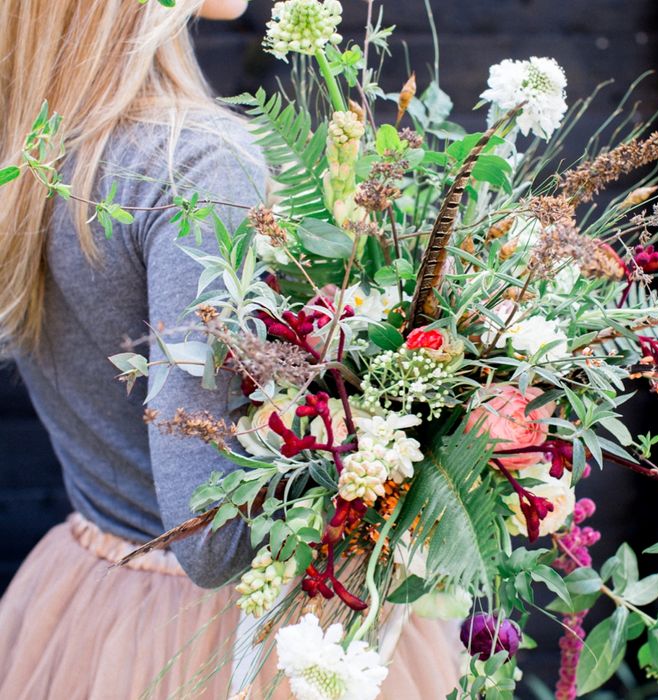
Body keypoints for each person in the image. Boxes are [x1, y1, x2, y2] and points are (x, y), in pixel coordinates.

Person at [0, 2, 461, 698]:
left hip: (90, 605)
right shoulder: (198, 163)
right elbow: (208, 538)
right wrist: (399, 435)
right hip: (232, 645)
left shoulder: (40, 154)